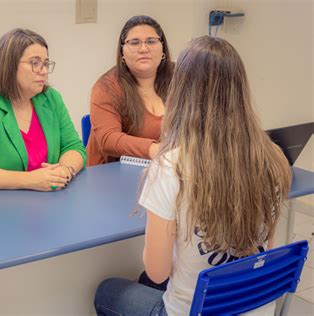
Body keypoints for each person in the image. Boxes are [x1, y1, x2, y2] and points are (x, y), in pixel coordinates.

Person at [94, 36, 291, 315]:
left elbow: (158, 272)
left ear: (180, 91)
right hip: (254, 308)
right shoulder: (272, 158)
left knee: (108, 291)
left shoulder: (170, 167)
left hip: (192, 311)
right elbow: (264, 250)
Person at [0, 28, 86, 191]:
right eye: (35, 63)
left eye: (46, 64)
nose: (44, 71)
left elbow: (74, 147)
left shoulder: (51, 98)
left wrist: (65, 171)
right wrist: (30, 180)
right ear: (9, 65)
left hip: (51, 203)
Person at [86, 15, 174, 166]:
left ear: (163, 48)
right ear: (122, 53)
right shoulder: (107, 87)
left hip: (164, 170)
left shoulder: (180, 76)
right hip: (110, 177)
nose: (143, 49)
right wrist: (155, 149)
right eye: (134, 43)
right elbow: (108, 139)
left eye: (151, 41)